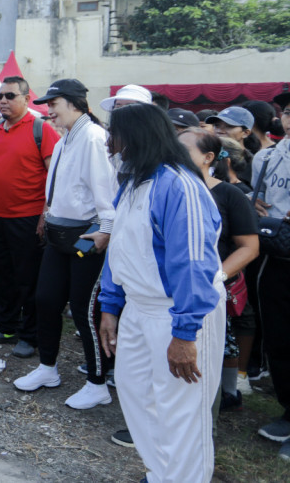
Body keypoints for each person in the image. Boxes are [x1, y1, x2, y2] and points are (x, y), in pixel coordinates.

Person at [99, 103, 225, 483]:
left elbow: (193, 263)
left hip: (179, 313)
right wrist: (110, 305)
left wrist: (185, 333)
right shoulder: (135, 182)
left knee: (182, 410)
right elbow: (119, 246)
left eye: (114, 133)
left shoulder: (180, 185)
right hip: (139, 307)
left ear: (136, 137)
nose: (109, 142)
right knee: (139, 398)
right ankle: (160, 474)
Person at [12, 79, 117, 410]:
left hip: (86, 235)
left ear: (73, 104)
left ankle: (97, 383)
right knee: (45, 300)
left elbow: (106, 195)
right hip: (58, 235)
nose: (48, 111)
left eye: (53, 104)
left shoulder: (94, 138)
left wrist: (105, 230)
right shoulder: (65, 139)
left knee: (85, 311)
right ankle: (47, 368)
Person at [0, 77, 59, 358]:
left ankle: (30, 336)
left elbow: (54, 176)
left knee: (28, 279)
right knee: (1, 275)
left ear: (26, 98)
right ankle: (6, 327)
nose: (3, 100)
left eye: (10, 95)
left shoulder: (41, 129)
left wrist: (46, 213)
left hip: (28, 218)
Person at [177, 128, 258, 411]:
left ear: (208, 157)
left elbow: (249, 246)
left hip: (212, 290)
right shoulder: (168, 189)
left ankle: (222, 397)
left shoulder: (229, 195)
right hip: (173, 289)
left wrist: (217, 278)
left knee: (215, 348)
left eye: (184, 151)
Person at [253, 101, 290, 458]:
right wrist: (254, 201)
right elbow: (253, 196)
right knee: (278, 338)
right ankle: (288, 409)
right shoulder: (266, 158)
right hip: (277, 256)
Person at [205, 107, 255, 186]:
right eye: (217, 125)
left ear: (246, 133)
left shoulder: (254, 164)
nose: (219, 130)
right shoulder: (207, 158)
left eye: (229, 126)